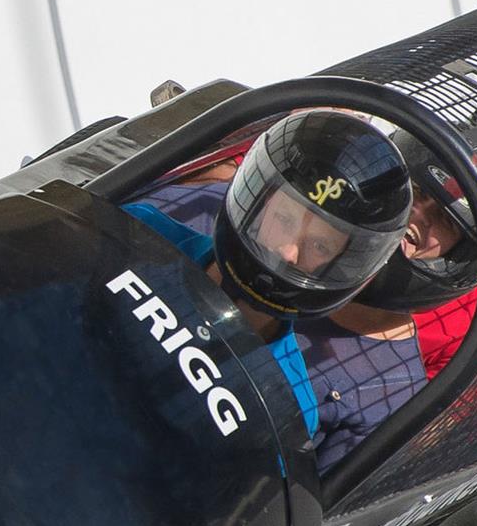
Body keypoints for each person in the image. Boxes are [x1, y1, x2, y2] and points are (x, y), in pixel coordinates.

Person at [120, 110, 414, 470]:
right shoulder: (138, 234)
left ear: (340, 266)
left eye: (319, 246)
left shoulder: (287, 403)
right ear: (259, 204)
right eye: (284, 220)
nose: (289, 252)